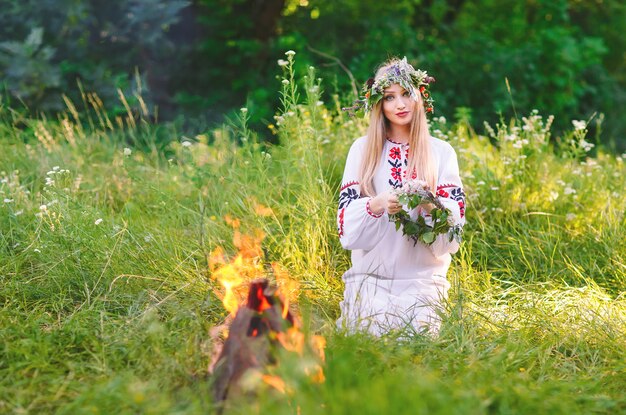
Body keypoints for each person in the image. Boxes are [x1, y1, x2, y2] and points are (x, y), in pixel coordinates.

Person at [337, 57, 466, 336]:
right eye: (389, 97)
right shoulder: (362, 151)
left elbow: (454, 231)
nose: (400, 104)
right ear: (379, 104)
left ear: (420, 95)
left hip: (423, 279)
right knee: (368, 331)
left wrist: (430, 206)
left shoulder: (441, 152)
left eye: (406, 94)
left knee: (417, 333)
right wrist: (377, 204)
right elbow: (346, 229)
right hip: (370, 278)